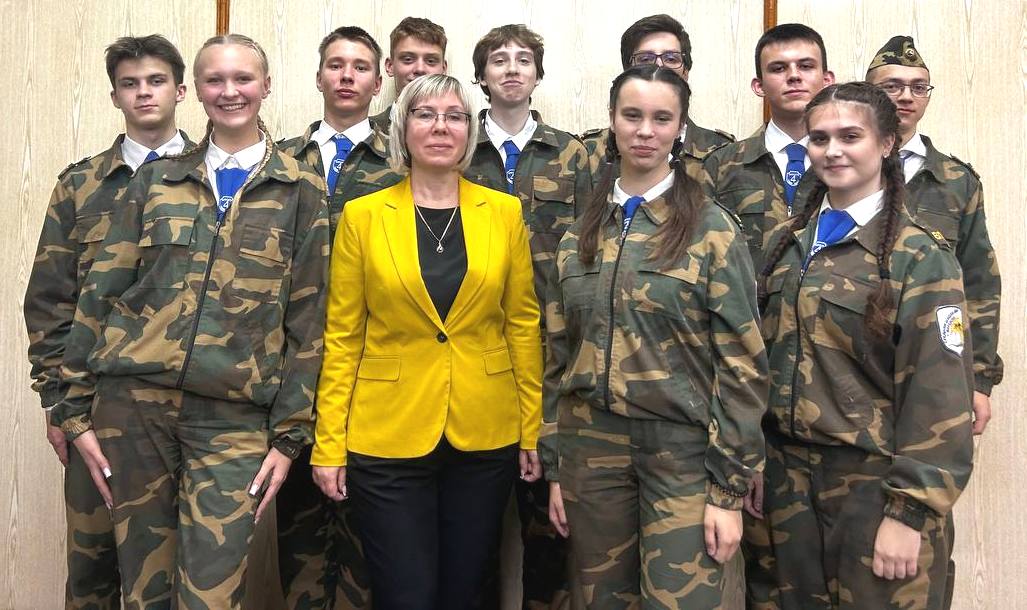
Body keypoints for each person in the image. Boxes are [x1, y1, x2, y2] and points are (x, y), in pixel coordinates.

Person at [49, 34, 330, 609]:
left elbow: (309, 319)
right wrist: (72, 410)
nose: (230, 91)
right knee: (144, 591)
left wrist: (290, 434)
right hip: (135, 412)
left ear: (266, 85)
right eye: (215, 80)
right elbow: (100, 296)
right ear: (196, 90)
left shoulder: (302, 188)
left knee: (212, 594)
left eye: (243, 78)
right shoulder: (158, 180)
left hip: (233, 419)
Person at [311, 74, 542, 610]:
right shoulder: (362, 216)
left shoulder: (504, 212)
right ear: (402, 128)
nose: (441, 127)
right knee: (405, 595)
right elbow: (342, 336)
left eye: (454, 116)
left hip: (484, 432)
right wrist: (329, 443)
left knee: (468, 591)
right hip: (386, 434)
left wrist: (532, 427)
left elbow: (521, 325)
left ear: (469, 131)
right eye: (425, 114)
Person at [540, 64, 768, 609]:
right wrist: (556, 469)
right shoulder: (580, 233)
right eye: (632, 115)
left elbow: (742, 365)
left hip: (683, 453)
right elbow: (557, 357)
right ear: (612, 121)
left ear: (680, 128)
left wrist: (729, 490)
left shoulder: (711, 230)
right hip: (592, 453)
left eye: (662, 118)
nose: (645, 130)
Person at [749, 81, 974, 609]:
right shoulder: (785, 244)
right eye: (819, 138)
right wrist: (751, 464)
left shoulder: (919, 257)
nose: (833, 151)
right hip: (785, 489)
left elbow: (941, 398)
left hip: (874, 489)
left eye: (850, 136)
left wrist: (909, 513)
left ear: (887, 143)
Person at [23, 33, 192, 610]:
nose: (144, 93)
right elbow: (50, 301)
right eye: (130, 84)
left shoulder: (216, 178)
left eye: (156, 81)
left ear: (181, 91)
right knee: (94, 563)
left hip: (191, 407)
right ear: (114, 96)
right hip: (95, 405)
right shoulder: (81, 184)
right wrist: (59, 405)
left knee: (183, 571)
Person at [276, 25, 405, 609]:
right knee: (297, 528)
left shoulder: (401, 163)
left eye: (360, 67)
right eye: (336, 65)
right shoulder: (281, 160)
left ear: (379, 83)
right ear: (318, 76)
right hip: (292, 364)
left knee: (368, 535)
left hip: (371, 367)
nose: (347, 76)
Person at [464, 24, 591, 607]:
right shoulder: (459, 145)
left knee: (549, 524)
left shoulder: (572, 154)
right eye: (498, 60)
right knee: (476, 525)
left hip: (554, 349)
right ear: (481, 75)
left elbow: (590, 246)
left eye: (523, 60)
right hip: (476, 347)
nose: (511, 69)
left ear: (539, 74)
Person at [865, 36, 1001, 438]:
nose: (906, 96)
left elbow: (979, 282)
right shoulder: (839, 167)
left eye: (918, 86)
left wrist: (979, 379)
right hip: (850, 363)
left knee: (928, 468)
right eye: (892, 86)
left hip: (932, 363)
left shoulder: (956, 181)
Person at [704, 23, 836, 271]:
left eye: (806, 66)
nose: (794, 76)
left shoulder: (847, 162)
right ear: (759, 86)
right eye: (778, 68)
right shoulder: (722, 165)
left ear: (827, 80)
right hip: (745, 295)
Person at [581, 14, 734, 187]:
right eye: (645, 59)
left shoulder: (723, 152)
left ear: (686, 72)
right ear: (627, 71)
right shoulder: (588, 152)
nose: (659, 67)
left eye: (671, 59)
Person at [370, 17, 448, 131]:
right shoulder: (366, 132)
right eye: (408, 59)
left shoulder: (460, 133)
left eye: (431, 61)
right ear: (390, 66)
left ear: (443, 70)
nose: (420, 69)